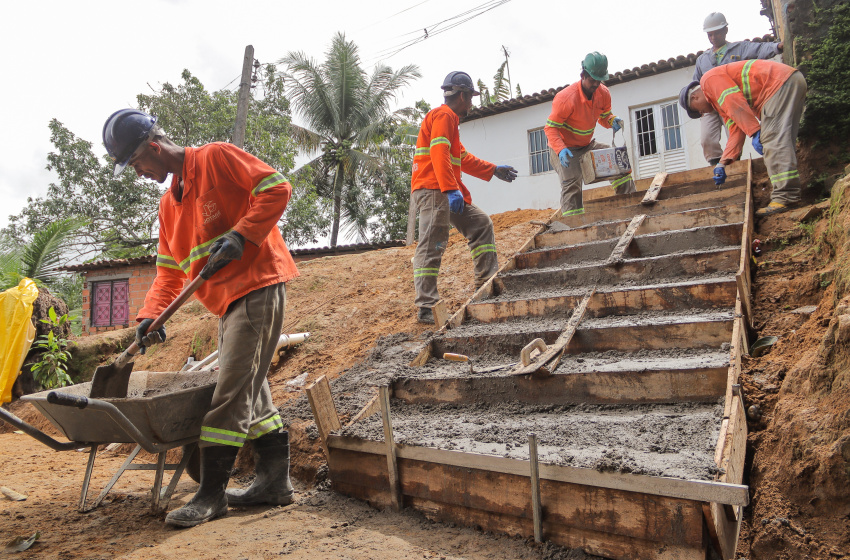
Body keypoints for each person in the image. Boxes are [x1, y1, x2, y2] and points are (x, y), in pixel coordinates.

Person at [102, 109, 299, 527]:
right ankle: (274, 483)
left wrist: (243, 234)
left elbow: (277, 188)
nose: (138, 173)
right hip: (226, 305)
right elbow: (169, 273)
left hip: (257, 287)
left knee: (228, 394)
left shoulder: (216, 158)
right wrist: (150, 315)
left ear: (153, 147)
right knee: (250, 389)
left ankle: (212, 496)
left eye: (137, 163)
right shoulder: (168, 207)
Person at [411, 71, 518, 324]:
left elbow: (462, 157)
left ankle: (486, 284)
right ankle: (426, 306)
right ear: (461, 94)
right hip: (435, 190)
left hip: (445, 191)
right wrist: (449, 188)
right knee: (431, 243)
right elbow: (438, 151)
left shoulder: (449, 122)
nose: (471, 104)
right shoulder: (445, 115)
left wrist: (493, 170)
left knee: (480, 224)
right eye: (470, 97)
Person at [679, 59, 807, 216]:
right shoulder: (720, 102)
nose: (702, 114)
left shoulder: (708, 80)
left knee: (772, 141)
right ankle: (790, 194)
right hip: (788, 82)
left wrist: (754, 132)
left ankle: (785, 197)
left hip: (777, 86)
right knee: (781, 142)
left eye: (698, 112)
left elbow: (734, 102)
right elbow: (735, 131)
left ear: (695, 98)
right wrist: (723, 162)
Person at [545, 52, 635, 218]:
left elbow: (603, 116)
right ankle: (574, 227)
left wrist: (611, 120)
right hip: (565, 149)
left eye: (599, 80)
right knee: (572, 184)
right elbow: (550, 129)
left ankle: (629, 208)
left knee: (620, 164)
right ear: (583, 75)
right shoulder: (566, 98)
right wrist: (560, 149)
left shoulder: (604, 93)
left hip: (587, 145)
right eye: (592, 79)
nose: (595, 84)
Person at [693, 12, 784, 166]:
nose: (713, 37)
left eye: (716, 33)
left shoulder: (739, 49)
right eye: (710, 34)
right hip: (711, 105)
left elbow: (758, 49)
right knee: (707, 137)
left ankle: (733, 162)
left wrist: (777, 47)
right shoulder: (702, 60)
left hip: (732, 102)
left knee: (734, 133)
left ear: (725, 31)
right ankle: (716, 164)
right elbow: (695, 85)